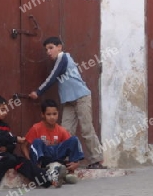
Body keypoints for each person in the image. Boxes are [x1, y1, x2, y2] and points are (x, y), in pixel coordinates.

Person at [28, 36, 106, 169]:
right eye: (46, 49)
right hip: (69, 101)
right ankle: (68, 161)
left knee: (87, 129)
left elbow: (52, 77)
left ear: (60, 47)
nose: (48, 52)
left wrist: (38, 92)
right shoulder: (60, 60)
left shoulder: (63, 58)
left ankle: (97, 160)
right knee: (65, 130)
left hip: (81, 97)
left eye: (51, 48)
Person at [0, 95, 66, 192]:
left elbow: (12, 144)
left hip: (6, 156)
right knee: (10, 158)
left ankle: (47, 179)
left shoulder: (5, 126)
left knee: (23, 161)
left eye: (6, 110)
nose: (5, 112)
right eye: (2, 109)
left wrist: (7, 147)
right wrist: (13, 139)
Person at [21, 99, 85, 185]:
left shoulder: (61, 130)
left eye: (54, 114)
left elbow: (71, 145)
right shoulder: (36, 128)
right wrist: (30, 162)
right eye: (48, 114)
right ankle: (41, 172)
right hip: (44, 158)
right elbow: (24, 146)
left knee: (74, 139)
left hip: (57, 156)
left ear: (58, 114)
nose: (52, 117)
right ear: (43, 115)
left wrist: (77, 163)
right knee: (37, 142)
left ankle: (70, 172)